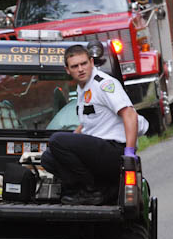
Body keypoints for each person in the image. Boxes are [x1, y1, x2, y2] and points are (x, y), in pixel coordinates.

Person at [41, 44, 149, 205]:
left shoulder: (103, 84)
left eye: (84, 63)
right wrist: (70, 141)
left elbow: (130, 114)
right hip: (98, 151)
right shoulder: (82, 88)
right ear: (68, 70)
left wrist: (129, 153)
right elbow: (87, 123)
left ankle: (90, 189)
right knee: (48, 157)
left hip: (114, 151)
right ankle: (91, 191)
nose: (81, 69)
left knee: (57, 140)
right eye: (75, 66)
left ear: (92, 62)